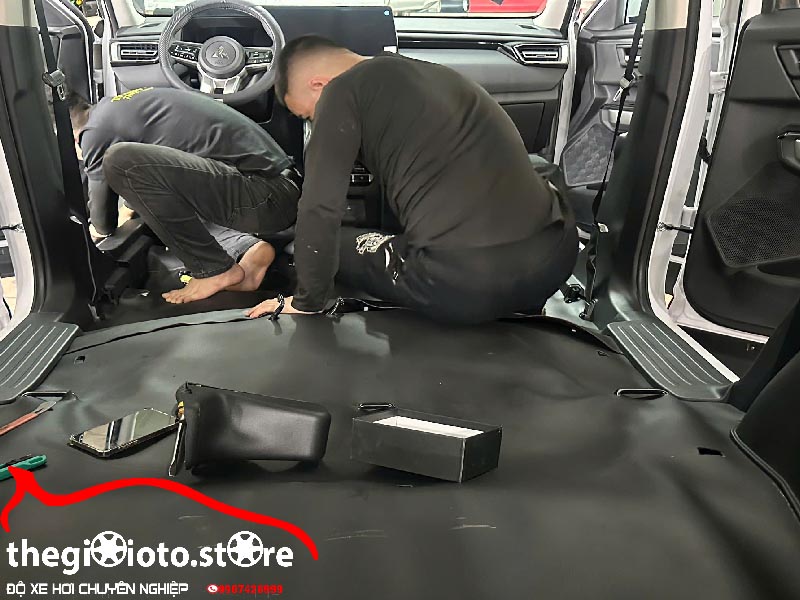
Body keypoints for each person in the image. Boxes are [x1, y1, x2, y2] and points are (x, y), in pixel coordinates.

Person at [246, 36, 578, 324]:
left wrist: (306, 301)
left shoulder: (340, 90)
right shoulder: (433, 73)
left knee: (325, 247)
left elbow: (320, 208)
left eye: (308, 115)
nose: (313, 123)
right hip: (554, 258)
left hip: (466, 284)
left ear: (319, 85)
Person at [72, 87, 301, 304]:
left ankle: (214, 269)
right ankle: (246, 249)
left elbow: (103, 221)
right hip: (279, 187)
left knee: (120, 162)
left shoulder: (94, 133)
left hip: (266, 197)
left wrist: (96, 230)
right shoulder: (115, 108)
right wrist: (131, 207)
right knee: (151, 191)